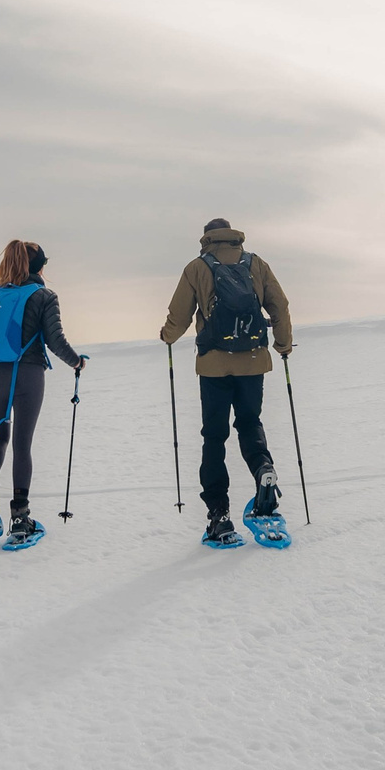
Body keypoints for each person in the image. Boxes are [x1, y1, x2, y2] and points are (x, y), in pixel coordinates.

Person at [160, 217, 293, 545]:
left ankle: (219, 517)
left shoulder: (197, 267)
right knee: (250, 423)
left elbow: (179, 316)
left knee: (214, 437)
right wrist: (283, 344)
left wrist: (167, 336)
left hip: (213, 367)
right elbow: (280, 306)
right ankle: (264, 471)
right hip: (253, 362)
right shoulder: (256, 264)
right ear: (233, 237)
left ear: (206, 238)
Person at [0, 239, 87, 545]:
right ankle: (20, 518)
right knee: (22, 444)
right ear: (40, 266)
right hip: (28, 374)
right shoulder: (45, 296)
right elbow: (55, 340)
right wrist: (76, 362)